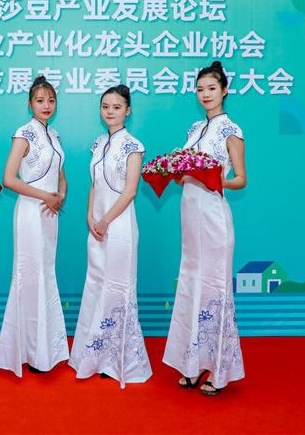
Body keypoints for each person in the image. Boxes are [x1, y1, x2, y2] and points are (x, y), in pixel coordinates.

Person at [163, 61, 247, 396]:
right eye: (200, 89)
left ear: (224, 90)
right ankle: (194, 363)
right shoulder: (194, 129)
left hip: (214, 218)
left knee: (215, 290)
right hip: (190, 218)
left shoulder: (231, 130)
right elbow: (183, 174)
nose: (205, 94)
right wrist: (176, 171)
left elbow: (240, 179)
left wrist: (213, 179)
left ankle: (219, 370)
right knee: (191, 287)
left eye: (211, 88)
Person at [69, 85, 152, 388]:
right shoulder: (98, 143)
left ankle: (115, 360)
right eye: (105, 106)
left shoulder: (134, 146)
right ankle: (90, 355)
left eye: (117, 107)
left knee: (117, 287)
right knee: (96, 284)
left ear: (128, 111)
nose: (110, 111)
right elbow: (94, 183)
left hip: (119, 226)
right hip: (97, 227)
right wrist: (90, 217)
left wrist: (105, 220)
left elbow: (129, 191)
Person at [0, 75, 69, 376]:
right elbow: (9, 179)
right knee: (29, 276)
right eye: (40, 100)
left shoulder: (56, 136)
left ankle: (45, 349)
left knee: (45, 275)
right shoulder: (23, 134)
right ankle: (27, 351)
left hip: (50, 213)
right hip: (30, 212)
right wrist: (45, 197)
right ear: (30, 104)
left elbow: (61, 177)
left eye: (51, 100)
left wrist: (59, 195)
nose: (46, 105)